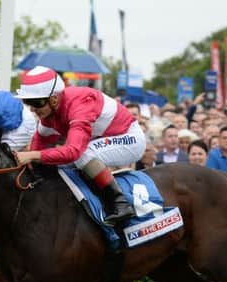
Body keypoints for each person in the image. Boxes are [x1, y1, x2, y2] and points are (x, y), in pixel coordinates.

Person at [14, 66, 146, 224]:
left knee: (83, 154)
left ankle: (120, 203)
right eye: (27, 101)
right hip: (104, 140)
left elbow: (74, 152)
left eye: (36, 102)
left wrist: (32, 155)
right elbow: (40, 141)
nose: (32, 108)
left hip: (130, 139)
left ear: (54, 99)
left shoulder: (80, 105)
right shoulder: (49, 113)